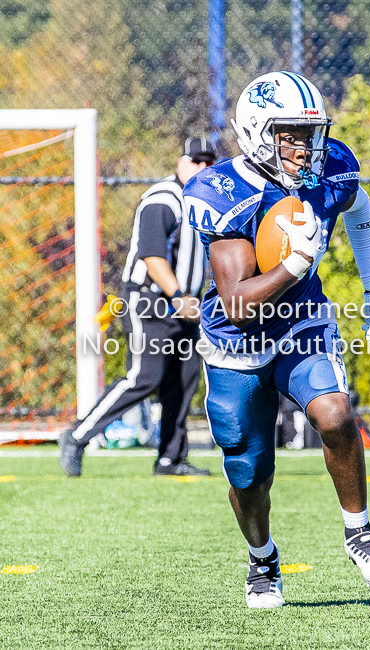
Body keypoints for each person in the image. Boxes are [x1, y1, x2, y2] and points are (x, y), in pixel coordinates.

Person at [183, 72, 370, 608]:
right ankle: (263, 560)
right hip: (237, 337)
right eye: (290, 134)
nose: (306, 147)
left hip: (303, 322)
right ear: (257, 132)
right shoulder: (222, 190)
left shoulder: (330, 168)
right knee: (248, 469)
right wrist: (294, 264)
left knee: (334, 413)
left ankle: (359, 531)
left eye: (311, 132)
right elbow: (236, 299)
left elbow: (361, 209)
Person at [59, 137, 216, 477]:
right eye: (196, 161)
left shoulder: (207, 201)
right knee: (144, 377)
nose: (202, 168)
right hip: (151, 300)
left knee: (184, 378)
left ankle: (170, 459)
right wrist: (177, 297)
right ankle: (77, 435)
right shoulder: (163, 199)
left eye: (209, 162)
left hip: (185, 304)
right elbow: (152, 256)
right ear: (181, 162)